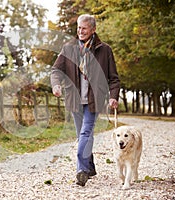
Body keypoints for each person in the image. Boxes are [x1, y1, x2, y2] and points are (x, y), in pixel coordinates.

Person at [50, 14, 120, 186]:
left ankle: (81, 171)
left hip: (94, 100)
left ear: (93, 29)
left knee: (85, 133)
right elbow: (55, 70)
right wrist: (56, 85)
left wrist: (113, 96)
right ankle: (90, 167)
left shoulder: (105, 50)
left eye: (84, 28)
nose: (80, 31)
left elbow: (114, 78)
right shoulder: (69, 48)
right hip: (74, 99)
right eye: (79, 28)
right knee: (83, 135)